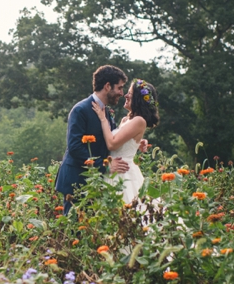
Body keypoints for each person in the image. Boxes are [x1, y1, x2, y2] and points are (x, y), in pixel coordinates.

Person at [55, 65, 131, 215]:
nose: (122, 93)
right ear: (107, 86)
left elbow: (110, 141)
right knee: (75, 232)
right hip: (77, 181)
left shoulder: (107, 112)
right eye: (120, 88)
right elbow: (75, 147)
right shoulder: (80, 110)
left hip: (95, 183)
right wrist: (105, 166)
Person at [92, 78, 160, 205]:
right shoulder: (125, 120)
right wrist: (137, 143)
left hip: (124, 173)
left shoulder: (139, 121)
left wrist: (103, 119)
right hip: (112, 170)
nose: (125, 95)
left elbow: (112, 144)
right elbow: (123, 140)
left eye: (130, 93)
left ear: (138, 100)